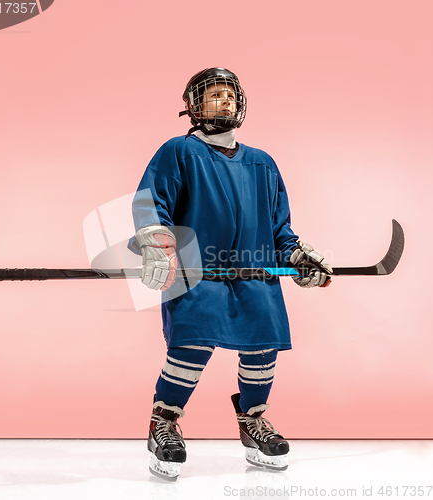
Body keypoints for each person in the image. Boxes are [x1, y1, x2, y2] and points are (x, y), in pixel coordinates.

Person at [128, 68, 332, 481]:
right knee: (191, 347)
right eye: (212, 95)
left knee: (262, 349)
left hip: (255, 272)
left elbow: (280, 228)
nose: (222, 102)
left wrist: (297, 257)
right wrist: (158, 243)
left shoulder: (262, 162)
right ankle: (163, 422)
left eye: (228, 95)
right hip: (199, 272)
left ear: (241, 104)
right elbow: (152, 202)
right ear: (192, 106)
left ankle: (253, 420)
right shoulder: (178, 152)